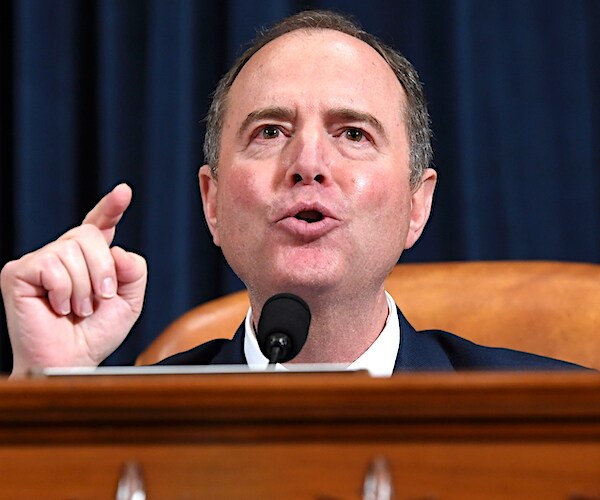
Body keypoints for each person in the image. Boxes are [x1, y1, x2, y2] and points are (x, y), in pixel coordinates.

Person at [0, 10, 582, 377]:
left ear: (417, 204)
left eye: (353, 134)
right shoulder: (133, 425)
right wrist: (47, 394)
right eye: (270, 132)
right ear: (211, 202)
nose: (308, 165)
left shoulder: (562, 420)